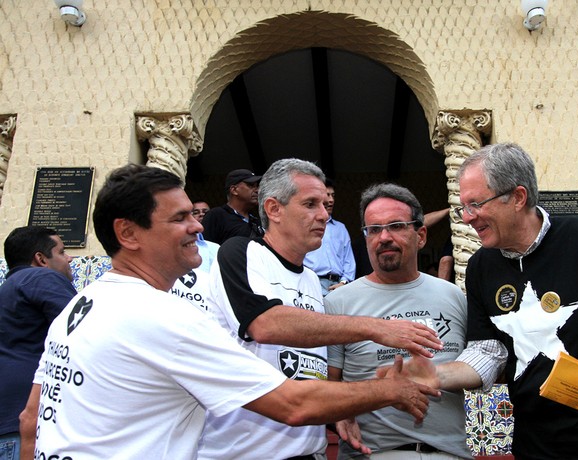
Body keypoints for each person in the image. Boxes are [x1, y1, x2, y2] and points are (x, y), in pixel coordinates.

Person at [19, 164, 439, 460]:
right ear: (127, 233)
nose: (200, 227)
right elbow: (288, 398)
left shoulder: (80, 304)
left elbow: (30, 418)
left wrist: (342, 406)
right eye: (181, 218)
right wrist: (390, 388)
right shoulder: (165, 312)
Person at [400, 143, 578, 459]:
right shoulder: (481, 267)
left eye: (475, 204)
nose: (467, 218)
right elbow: (489, 350)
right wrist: (435, 375)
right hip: (540, 449)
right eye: (463, 207)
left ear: (518, 197)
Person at [198, 158, 443, 460]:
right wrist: (377, 327)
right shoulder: (240, 252)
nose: (324, 216)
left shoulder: (313, 281)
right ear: (274, 209)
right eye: (310, 204)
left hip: (308, 451)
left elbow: (308, 368)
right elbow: (266, 324)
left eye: (326, 205)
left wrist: (338, 411)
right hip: (245, 453)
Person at [325, 183, 473, 459]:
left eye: (396, 226)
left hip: (450, 452)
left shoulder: (453, 296)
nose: (383, 237)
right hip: (374, 453)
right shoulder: (338, 303)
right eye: (374, 229)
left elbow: (482, 365)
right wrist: (340, 414)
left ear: (421, 235)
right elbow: (328, 386)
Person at [0, 226, 76, 460]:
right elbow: (82, 330)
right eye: (62, 252)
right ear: (41, 259)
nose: (69, 258)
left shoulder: (8, 289)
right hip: (28, 423)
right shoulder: (40, 277)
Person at [304, 178, 356, 295]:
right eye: (327, 195)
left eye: (333, 195)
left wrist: (344, 282)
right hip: (312, 283)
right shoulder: (306, 225)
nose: (331, 200)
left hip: (338, 286)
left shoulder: (340, 228)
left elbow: (348, 259)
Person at [202, 168, 264, 244]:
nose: (257, 190)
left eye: (257, 186)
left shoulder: (256, 221)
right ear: (234, 190)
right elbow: (205, 248)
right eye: (251, 185)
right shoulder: (217, 215)